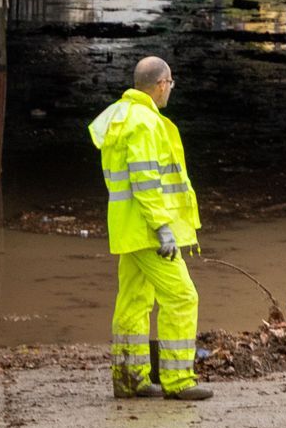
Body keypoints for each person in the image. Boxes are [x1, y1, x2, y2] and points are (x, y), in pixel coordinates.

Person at [88, 56, 210, 401]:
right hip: (148, 231)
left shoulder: (120, 115)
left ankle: (129, 378)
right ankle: (178, 380)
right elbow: (146, 181)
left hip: (129, 228)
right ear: (161, 84)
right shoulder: (144, 123)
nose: (170, 90)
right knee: (183, 297)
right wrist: (163, 228)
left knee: (134, 300)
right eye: (170, 84)